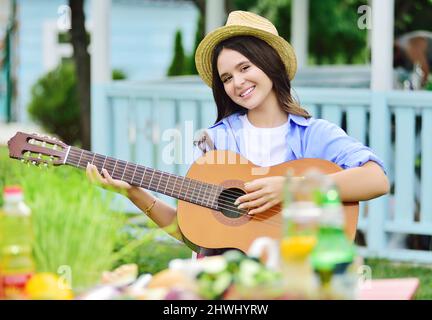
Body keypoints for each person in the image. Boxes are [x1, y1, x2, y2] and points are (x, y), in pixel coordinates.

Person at [86, 11, 390, 255]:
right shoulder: (216, 142)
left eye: (245, 67)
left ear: (270, 64)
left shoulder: (314, 134)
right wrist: (132, 192)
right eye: (227, 77)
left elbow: (375, 180)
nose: (238, 82)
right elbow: (194, 235)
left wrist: (290, 188)